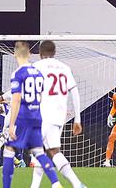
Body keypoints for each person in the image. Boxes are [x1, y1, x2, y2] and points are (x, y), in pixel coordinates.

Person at [1, 41, 61, 188]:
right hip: (37, 118)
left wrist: (12, 125)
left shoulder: (18, 74)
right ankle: (56, 183)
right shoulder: (38, 74)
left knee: (9, 150)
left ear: (15, 54)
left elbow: (16, 100)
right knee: (39, 152)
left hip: (23, 118)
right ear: (29, 54)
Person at [31, 41, 85, 188]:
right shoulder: (64, 67)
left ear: (40, 53)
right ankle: (77, 184)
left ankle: (40, 186)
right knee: (54, 151)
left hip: (41, 115)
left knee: (38, 151)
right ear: (54, 53)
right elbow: (74, 92)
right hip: (58, 117)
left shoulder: (36, 67)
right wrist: (77, 119)